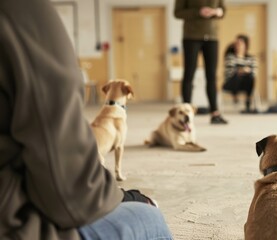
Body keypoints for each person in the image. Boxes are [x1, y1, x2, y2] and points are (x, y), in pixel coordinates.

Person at [0, 1, 172, 239]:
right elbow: (71, 195)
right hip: (11, 224)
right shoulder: (21, 11)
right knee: (149, 218)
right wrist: (128, 197)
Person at [174, 0, 228, 124]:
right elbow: (177, 13)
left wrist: (218, 12)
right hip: (191, 37)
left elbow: (223, 10)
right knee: (189, 74)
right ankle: (185, 112)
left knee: (212, 76)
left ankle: (215, 113)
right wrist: (198, 12)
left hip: (212, 36)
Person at [222, 34, 257, 113]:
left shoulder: (251, 58)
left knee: (250, 77)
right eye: (236, 43)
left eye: (240, 43)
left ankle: (248, 102)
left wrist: (244, 71)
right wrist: (242, 70)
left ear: (246, 45)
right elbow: (229, 73)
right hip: (231, 82)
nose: (238, 45)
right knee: (238, 75)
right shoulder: (230, 57)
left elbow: (254, 72)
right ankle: (235, 95)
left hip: (245, 83)